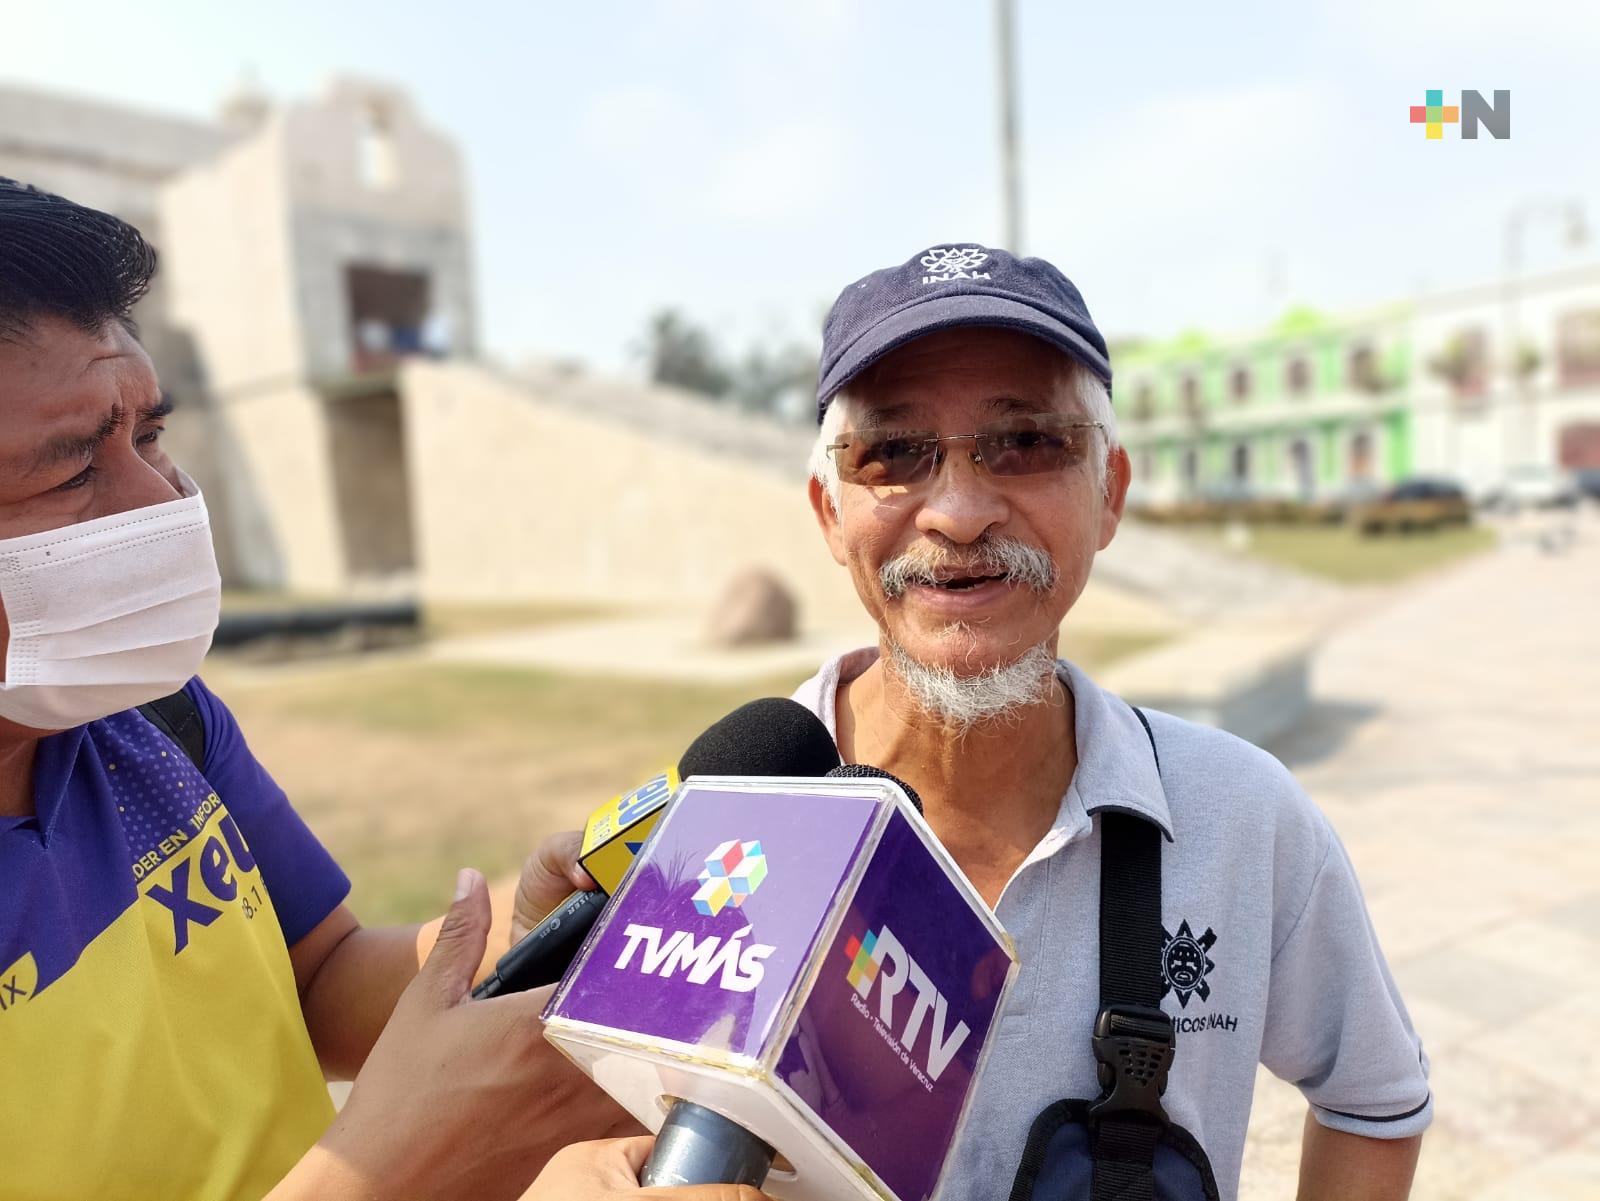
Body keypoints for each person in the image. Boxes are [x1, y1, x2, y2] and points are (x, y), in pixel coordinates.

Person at [0, 178, 760, 1201]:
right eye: (72, 468)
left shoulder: (154, 722)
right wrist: (401, 1159)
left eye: (149, 436)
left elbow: (316, 977)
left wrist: (521, 937)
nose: (166, 505)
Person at [780, 243, 1431, 1200]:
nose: (958, 513)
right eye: (894, 453)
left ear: (1110, 491)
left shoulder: (1243, 818)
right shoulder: (725, 830)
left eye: (1027, 441)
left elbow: (1375, 1099)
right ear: (831, 515)